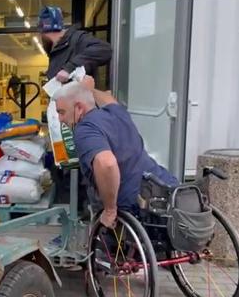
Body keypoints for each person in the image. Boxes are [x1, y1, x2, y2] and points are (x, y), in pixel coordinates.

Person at [51, 75, 179, 227]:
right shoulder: (116, 113)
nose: (59, 119)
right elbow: (108, 99)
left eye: (62, 112)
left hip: (134, 204)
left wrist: (110, 210)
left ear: (79, 108)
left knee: (106, 230)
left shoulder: (84, 129)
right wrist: (90, 90)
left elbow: (107, 163)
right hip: (163, 188)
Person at [38, 6, 112, 83]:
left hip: (81, 94)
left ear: (43, 31)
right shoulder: (58, 47)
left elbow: (104, 49)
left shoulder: (77, 39)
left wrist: (69, 68)